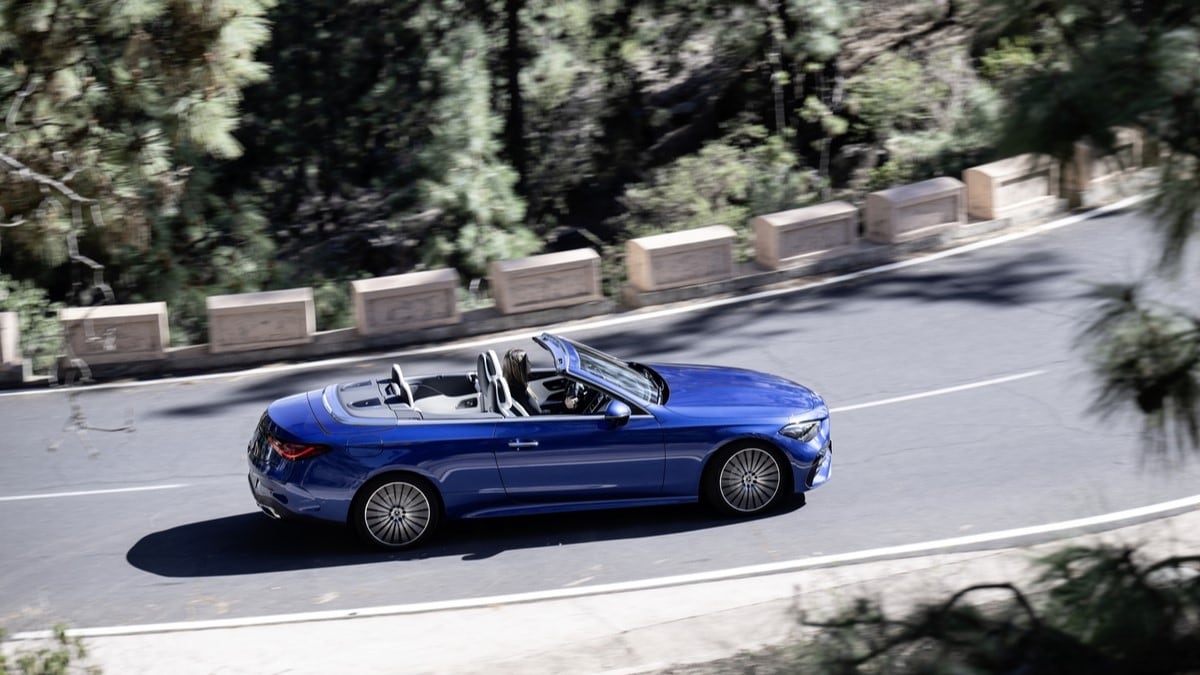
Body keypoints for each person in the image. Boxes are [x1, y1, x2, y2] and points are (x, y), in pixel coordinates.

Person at [502, 348, 541, 415]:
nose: (530, 363)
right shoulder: (520, 390)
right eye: (527, 361)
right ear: (521, 367)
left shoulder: (509, 387)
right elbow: (537, 413)